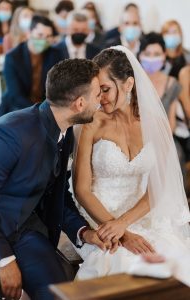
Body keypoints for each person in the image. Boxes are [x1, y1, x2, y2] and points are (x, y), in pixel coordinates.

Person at [0, 58, 109, 300]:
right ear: (79, 103)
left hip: (24, 231)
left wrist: (84, 232)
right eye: (98, 94)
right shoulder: (10, 134)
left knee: (60, 293)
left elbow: (56, 195)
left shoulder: (63, 132)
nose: (101, 101)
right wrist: (4, 259)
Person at [72, 46, 190, 284]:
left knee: (173, 262)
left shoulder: (155, 122)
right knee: (122, 262)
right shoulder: (91, 122)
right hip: (99, 214)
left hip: (140, 214)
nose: (100, 98)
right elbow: (81, 189)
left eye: (105, 89)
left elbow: (157, 189)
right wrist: (122, 233)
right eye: (97, 90)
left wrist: (124, 223)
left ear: (128, 84)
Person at [0, 15, 61, 117]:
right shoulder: (13, 57)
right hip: (17, 108)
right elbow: (15, 94)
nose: (44, 39)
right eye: (40, 35)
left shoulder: (56, 54)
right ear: (28, 34)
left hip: (46, 108)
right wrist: (38, 112)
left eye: (48, 36)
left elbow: (58, 87)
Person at [138, 32, 180, 132]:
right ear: (140, 55)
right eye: (147, 54)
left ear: (164, 55)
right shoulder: (131, 83)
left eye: (157, 54)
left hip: (166, 141)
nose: (152, 59)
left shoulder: (171, 83)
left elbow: (172, 124)